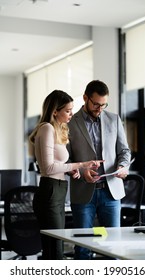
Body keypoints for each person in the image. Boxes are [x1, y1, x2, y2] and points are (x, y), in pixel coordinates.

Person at [29, 90, 103, 260]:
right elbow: (47, 168)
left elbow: (56, 164)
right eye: (68, 111)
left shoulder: (57, 130)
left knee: (56, 247)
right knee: (54, 249)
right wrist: (81, 164)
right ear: (55, 111)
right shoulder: (47, 128)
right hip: (50, 190)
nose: (71, 114)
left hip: (59, 190)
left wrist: (69, 169)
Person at [67, 80, 131, 259]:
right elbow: (66, 159)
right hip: (83, 192)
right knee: (82, 247)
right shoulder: (70, 123)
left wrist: (122, 166)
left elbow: (124, 150)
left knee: (113, 246)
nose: (99, 108)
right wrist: (80, 172)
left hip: (111, 192)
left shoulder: (114, 119)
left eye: (103, 105)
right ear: (85, 98)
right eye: (96, 104)